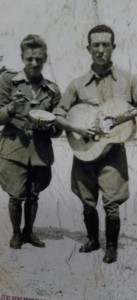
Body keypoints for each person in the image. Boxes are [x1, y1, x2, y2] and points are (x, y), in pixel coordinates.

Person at [54, 24, 137, 263]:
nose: (101, 49)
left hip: (112, 152)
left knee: (111, 202)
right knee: (87, 200)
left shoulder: (128, 80)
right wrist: (76, 128)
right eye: (96, 45)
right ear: (88, 48)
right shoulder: (77, 84)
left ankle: (111, 247)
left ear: (113, 47)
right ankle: (92, 240)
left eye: (105, 44)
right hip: (85, 149)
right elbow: (58, 113)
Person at [0, 34, 62, 249]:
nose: (34, 63)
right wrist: (11, 108)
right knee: (16, 195)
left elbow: (58, 127)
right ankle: (16, 233)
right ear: (22, 58)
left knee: (34, 194)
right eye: (29, 59)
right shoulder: (8, 81)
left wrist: (50, 127)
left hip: (40, 150)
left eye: (38, 59)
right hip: (14, 148)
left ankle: (29, 232)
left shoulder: (52, 90)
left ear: (45, 58)